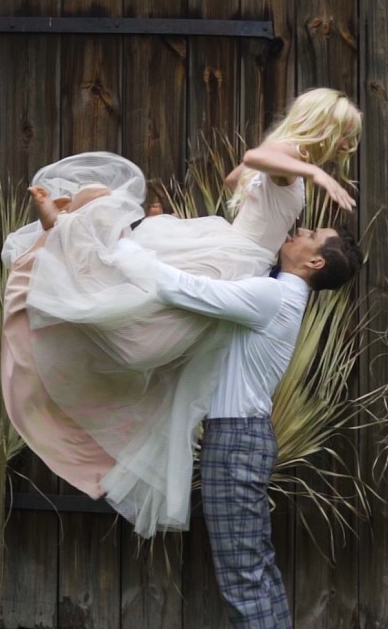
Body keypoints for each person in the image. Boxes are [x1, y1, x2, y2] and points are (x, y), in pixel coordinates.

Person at [1, 88, 362, 536]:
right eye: (346, 135)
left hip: (231, 254)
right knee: (135, 319)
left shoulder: (286, 168)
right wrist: (310, 171)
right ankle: (66, 231)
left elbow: (236, 177)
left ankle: (68, 235)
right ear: (324, 126)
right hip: (234, 257)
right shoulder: (295, 167)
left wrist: (272, 174)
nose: (346, 147)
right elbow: (254, 157)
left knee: (133, 310)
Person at [110, 224, 362, 629]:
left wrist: (121, 246)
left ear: (315, 261)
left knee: (243, 576)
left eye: (311, 233)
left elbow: (183, 288)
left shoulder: (271, 296)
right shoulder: (274, 291)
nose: (300, 230)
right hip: (241, 439)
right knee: (253, 569)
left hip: (236, 441)